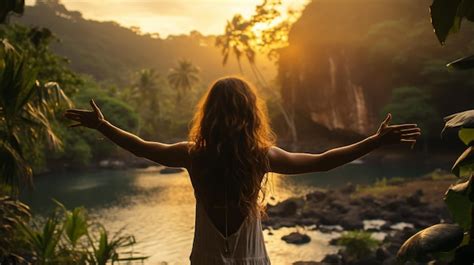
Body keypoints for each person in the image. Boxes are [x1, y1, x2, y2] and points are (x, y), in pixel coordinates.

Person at [64, 77, 420, 265]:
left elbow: (142, 147)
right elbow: (321, 161)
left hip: (205, 259)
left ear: (209, 113)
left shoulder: (193, 155)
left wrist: (104, 127)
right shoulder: (260, 156)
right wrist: (372, 142)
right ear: (252, 113)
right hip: (251, 259)